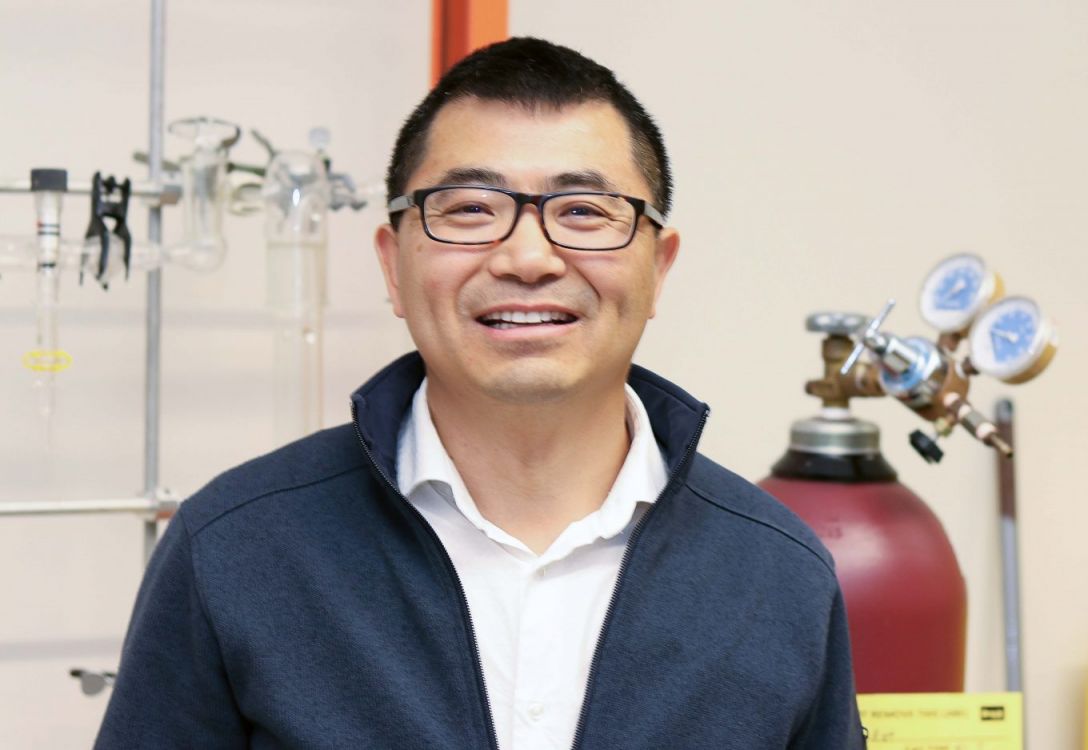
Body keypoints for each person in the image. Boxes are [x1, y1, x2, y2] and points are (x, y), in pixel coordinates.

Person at [97, 37, 864, 749]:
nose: (528, 257)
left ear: (658, 268)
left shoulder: (777, 576)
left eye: (583, 212)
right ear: (392, 264)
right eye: (470, 210)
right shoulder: (236, 551)